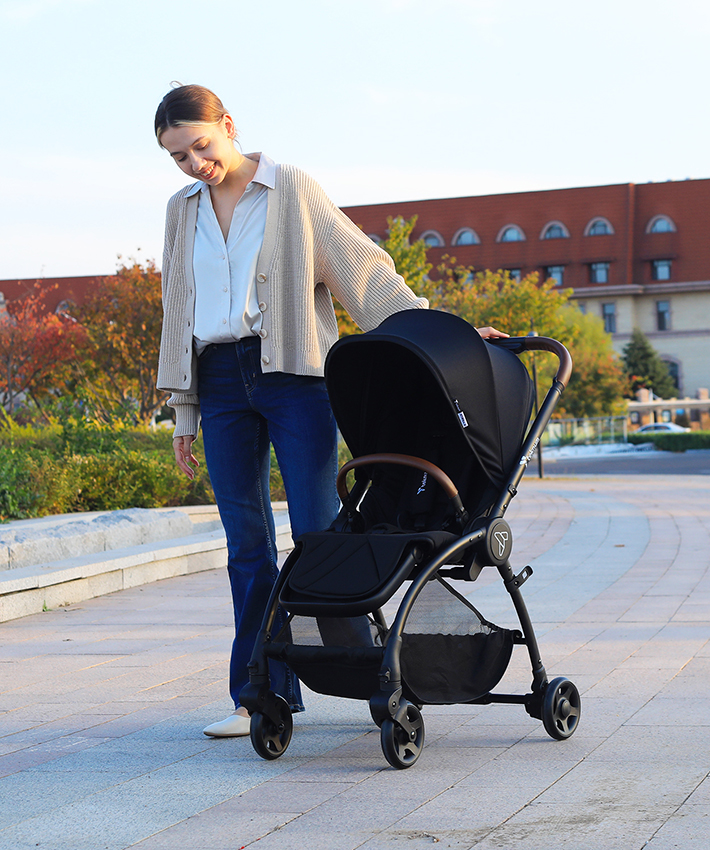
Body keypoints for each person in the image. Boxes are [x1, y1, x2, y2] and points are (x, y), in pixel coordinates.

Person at [154, 84, 506, 738]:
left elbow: (361, 272)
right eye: (178, 157)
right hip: (219, 380)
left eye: (200, 146)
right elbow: (179, 306)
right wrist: (184, 411)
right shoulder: (181, 211)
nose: (194, 164)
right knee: (246, 546)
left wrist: (444, 336)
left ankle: (369, 675)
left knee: (320, 537)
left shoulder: (291, 189)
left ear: (228, 124)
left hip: (295, 376)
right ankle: (259, 695)